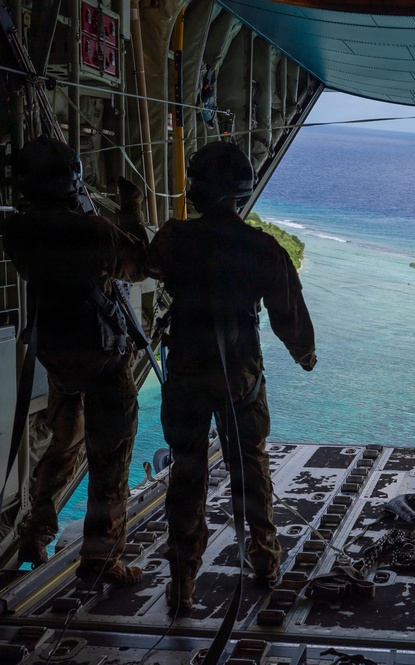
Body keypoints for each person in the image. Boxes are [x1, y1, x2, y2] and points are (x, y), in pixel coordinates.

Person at [146, 140, 317, 612]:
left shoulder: (175, 238)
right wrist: (305, 355)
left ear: (197, 191)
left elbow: (147, 264)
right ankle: (263, 560)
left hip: (184, 376)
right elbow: (291, 314)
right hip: (240, 379)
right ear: (241, 194)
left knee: (187, 472)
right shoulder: (262, 248)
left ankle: (182, 580)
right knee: (250, 469)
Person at [4, 136, 149, 587]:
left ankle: (36, 534)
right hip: (104, 361)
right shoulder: (94, 231)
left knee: (63, 446)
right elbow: (138, 264)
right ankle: (101, 560)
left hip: (58, 357)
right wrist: (131, 209)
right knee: (110, 461)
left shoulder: (19, 232)